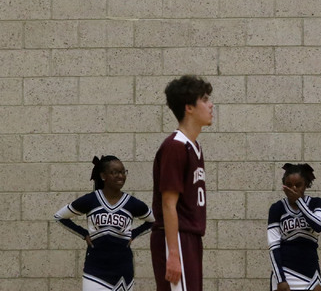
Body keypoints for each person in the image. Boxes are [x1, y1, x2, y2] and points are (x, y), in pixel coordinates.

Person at [54, 155, 154, 291]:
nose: (120, 176)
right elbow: (60, 217)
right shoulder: (91, 200)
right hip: (95, 270)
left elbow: (155, 220)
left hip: (123, 272)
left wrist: (133, 234)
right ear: (103, 176)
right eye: (115, 172)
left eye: (123, 172)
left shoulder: (132, 203)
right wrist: (84, 234)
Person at [150, 75, 213, 291]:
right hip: (175, 238)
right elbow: (168, 203)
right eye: (204, 100)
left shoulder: (194, 146)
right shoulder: (175, 146)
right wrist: (174, 253)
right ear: (189, 108)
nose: (211, 104)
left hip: (191, 237)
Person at [268, 163, 321, 291]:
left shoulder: (316, 203)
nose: (293, 189)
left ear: (305, 185)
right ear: (284, 186)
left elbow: (318, 226)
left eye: (298, 185)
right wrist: (280, 279)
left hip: (311, 271)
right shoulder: (277, 208)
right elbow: (274, 247)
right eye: (288, 185)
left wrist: (299, 201)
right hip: (285, 271)